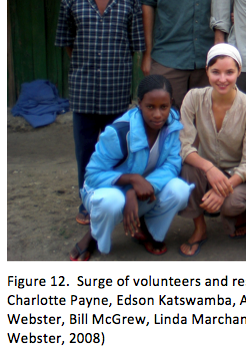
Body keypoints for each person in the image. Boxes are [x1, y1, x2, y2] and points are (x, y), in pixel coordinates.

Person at [55, 0, 145, 225]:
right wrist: (88, 63)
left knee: (118, 149)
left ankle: (115, 197)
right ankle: (88, 200)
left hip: (117, 90)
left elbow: (135, 43)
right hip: (83, 91)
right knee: (85, 151)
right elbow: (68, 42)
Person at [68, 75, 192, 261]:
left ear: (171, 104)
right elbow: (92, 174)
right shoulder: (119, 132)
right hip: (105, 191)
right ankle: (94, 235)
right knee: (113, 201)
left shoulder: (172, 125)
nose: (157, 114)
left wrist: (136, 189)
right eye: (150, 107)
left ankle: (147, 230)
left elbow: (172, 165)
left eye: (163, 107)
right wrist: (132, 179)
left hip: (140, 191)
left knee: (180, 189)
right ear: (139, 104)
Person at [178, 44, 246, 257]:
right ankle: (200, 228)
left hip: (239, 176)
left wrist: (221, 188)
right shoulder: (193, 98)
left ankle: (236, 214)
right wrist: (209, 168)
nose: (222, 79)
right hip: (206, 170)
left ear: (239, 71)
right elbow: (184, 145)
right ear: (206, 71)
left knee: (230, 204)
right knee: (187, 170)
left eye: (229, 72)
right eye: (215, 72)